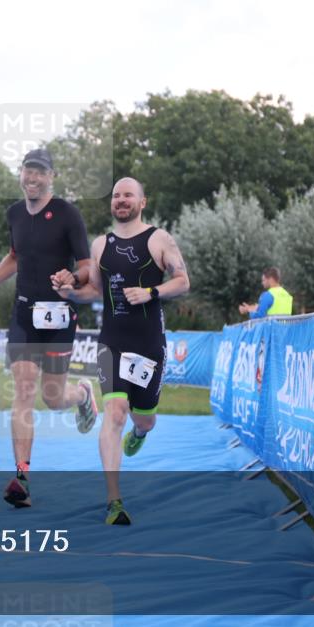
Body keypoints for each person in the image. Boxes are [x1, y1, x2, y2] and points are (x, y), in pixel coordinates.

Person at [0, 148, 97, 509]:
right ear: (21, 173)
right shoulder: (14, 214)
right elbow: (14, 256)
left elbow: (87, 266)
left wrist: (73, 276)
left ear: (51, 177)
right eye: (28, 171)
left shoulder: (68, 214)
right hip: (24, 315)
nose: (33, 178)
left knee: (53, 398)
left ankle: (83, 394)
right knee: (23, 390)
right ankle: (21, 476)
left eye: (41, 172)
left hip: (58, 318)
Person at [54, 177, 190, 525]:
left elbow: (182, 280)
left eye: (128, 195)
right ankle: (114, 501)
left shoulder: (159, 238)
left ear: (142, 202)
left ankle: (141, 432)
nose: (121, 200)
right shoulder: (102, 244)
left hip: (148, 344)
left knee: (143, 417)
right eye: (116, 195)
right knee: (115, 412)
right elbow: (94, 291)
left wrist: (151, 292)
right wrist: (70, 292)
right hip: (112, 341)